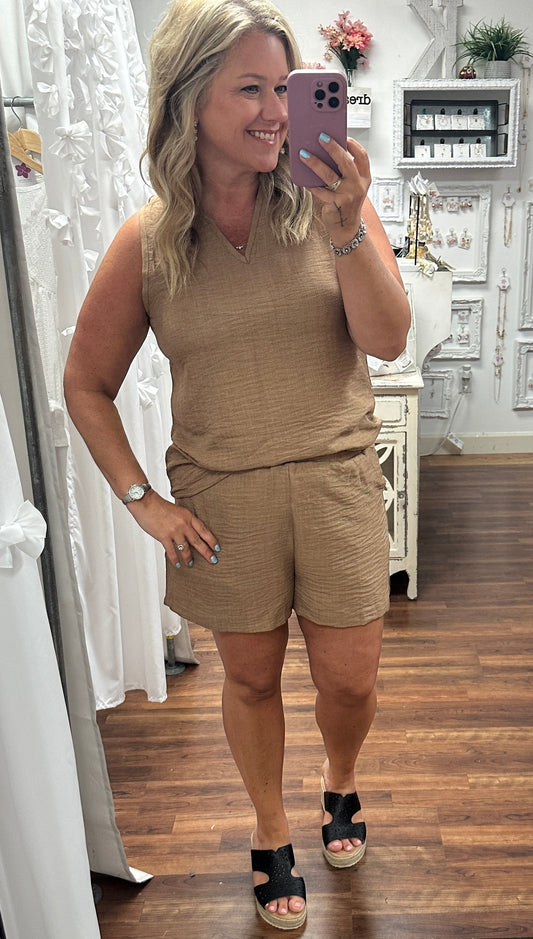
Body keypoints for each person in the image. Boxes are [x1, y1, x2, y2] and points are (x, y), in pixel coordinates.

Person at [64, 0, 411, 930]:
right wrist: (142, 499)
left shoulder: (333, 204)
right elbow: (86, 384)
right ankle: (269, 829)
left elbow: (385, 337)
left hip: (336, 482)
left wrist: (345, 222)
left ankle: (340, 781)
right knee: (250, 680)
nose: (273, 111)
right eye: (249, 88)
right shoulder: (149, 242)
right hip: (222, 502)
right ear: (188, 101)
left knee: (350, 680)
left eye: (284, 88)